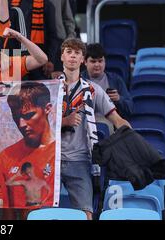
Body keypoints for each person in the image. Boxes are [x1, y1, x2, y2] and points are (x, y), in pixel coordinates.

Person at [59, 38, 131, 220]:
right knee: (40, 213)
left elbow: (117, 119)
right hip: (50, 159)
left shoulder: (93, 89)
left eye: (77, 53)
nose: (73, 56)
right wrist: (63, 122)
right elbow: (37, 124)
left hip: (80, 159)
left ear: (82, 59)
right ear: (62, 56)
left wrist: (135, 141)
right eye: (69, 52)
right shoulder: (51, 88)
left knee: (86, 214)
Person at [0, 82, 56, 219]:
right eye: (16, 117)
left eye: (28, 115)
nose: (21, 124)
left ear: (47, 109)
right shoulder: (4, 158)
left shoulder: (61, 155)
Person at [0, 0, 57, 79]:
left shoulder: (47, 4)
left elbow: (52, 35)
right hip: (16, 55)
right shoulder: (12, 3)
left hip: (39, 54)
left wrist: (50, 59)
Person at [25, 0, 76, 73]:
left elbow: (67, 15)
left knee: (59, 81)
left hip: (58, 40)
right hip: (33, 42)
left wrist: (70, 37)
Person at [81, 43, 133, 121]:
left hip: (109, 121)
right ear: (85, 62)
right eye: (93, 61)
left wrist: (119, 99)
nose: (97, 65)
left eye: (100, 61)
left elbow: (130, 108)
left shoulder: (116, 80)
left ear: (105, 62)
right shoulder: (78, 79)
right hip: (84, 121)